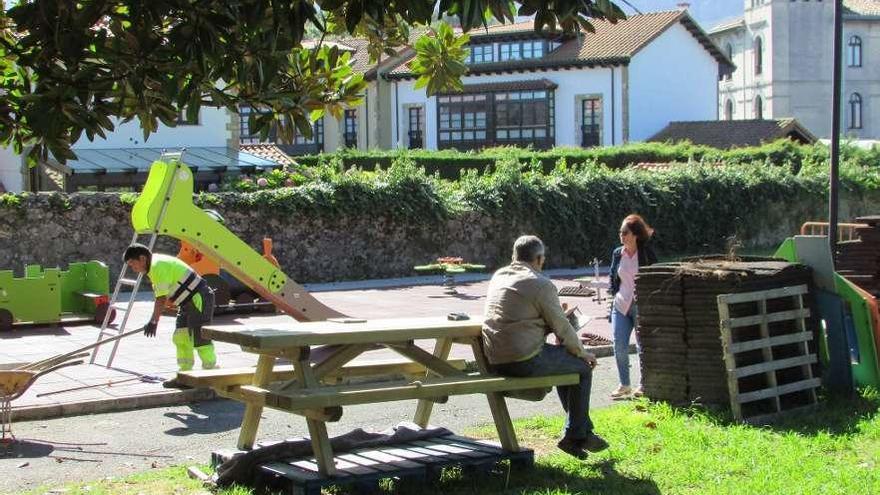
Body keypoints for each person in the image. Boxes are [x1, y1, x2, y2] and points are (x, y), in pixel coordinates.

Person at [482, 235, 608, 459]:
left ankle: (581, 433)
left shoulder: (499, 276)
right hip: (523, 359)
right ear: (539, 259)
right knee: (581, 367)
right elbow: (562, 328)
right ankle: (576, 435)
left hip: (493, 358)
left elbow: (519, 319)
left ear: (514, 257)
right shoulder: (540, 283)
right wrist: (583, 352)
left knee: (564, 366)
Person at [123, 243, 217, 388]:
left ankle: (211, 375)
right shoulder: (153, 267)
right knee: (181, 336)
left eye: (132, 264)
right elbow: (165, 298)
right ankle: (185, 376)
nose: (133, 268)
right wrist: (156, 316)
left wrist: (153, 321)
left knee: (200, 337)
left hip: (199, 297)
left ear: (142, 258)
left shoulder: (157, 266)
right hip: (186, 301)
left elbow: (161, 299)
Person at [608, 214, 657, 399]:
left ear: (635, 234)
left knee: (641, 345)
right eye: (620, 232)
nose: (622, 235)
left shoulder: (646, 252)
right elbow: (613, 277)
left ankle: (644, 385)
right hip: (620, 305)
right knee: (619, 345)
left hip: (640, 305)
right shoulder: (617, 253)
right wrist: (613, 296)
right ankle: (624, 384)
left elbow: (654, 276)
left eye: (625, 232)